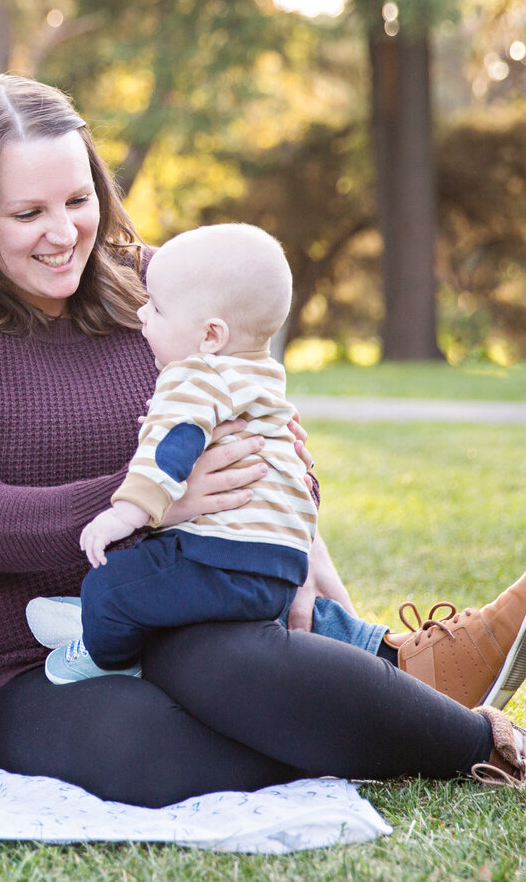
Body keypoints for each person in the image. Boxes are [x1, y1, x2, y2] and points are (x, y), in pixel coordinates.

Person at [0, 73, 526, 806]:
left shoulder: (154, 286)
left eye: (78, 200)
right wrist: (151, 501)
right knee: (150, 752)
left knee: (238, 669)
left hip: (183, 607)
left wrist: (303, 557)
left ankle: (504, 748)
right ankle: (396, 691)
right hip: (23, 653)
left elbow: (261, 425)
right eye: (28, 213)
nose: (64, 233)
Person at [43, 223, 324, 684]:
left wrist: (125, 513)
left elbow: (169, 452)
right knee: (156, 581)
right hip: (280, 570)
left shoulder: (194, 375)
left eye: (155, 307)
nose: (141, 314)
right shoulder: (263, 378)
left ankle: (108, 654)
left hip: (222, 559)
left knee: (107, 585)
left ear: (210, 335)